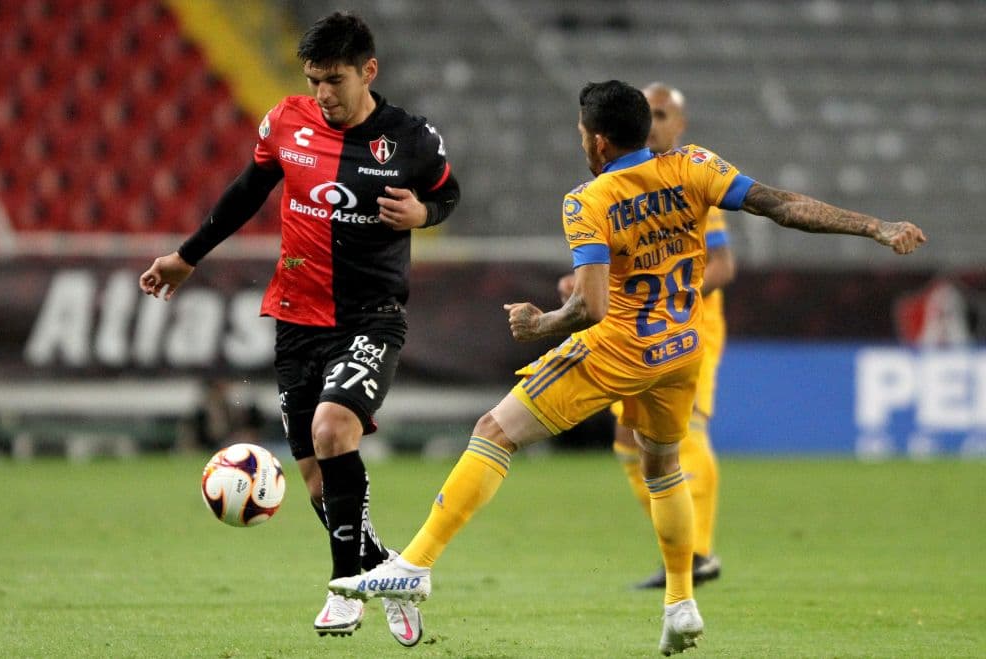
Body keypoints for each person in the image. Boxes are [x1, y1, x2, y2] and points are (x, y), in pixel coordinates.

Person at [328, 80, 925, 655]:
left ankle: (415, 565)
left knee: (495, 431)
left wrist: (540, 324)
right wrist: (875, 226)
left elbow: (590, 307)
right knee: (662, 466)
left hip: (619, 350)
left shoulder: (589, 201)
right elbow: (782, 205)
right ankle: (680, 603)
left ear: (597, 142)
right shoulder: (694, 165)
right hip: (680, 349)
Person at [139, 11, 460, 647]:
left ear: (369, 71)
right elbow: (245, 191)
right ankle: (386, 572)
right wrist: (186, 256)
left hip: (372, 316)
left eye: (334, 79)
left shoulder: (412, 140)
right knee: (316, 477)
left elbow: (450, 194)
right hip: (295, 317)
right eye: (313, 79)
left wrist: (424, 212)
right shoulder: (287, 122)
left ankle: (345, 585)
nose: (322, 93)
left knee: (331, 426)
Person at [558, 82, 730, 590]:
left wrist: (661, 289)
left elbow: (722, 265)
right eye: (647, 114)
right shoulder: (623, 187)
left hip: (685, 323)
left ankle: (699, 552)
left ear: (679, 125)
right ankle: (682, 547)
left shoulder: (689, 181)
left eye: (662, 115)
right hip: (635, 324)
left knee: (685, 429)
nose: (654, 124)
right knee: (627, 442)